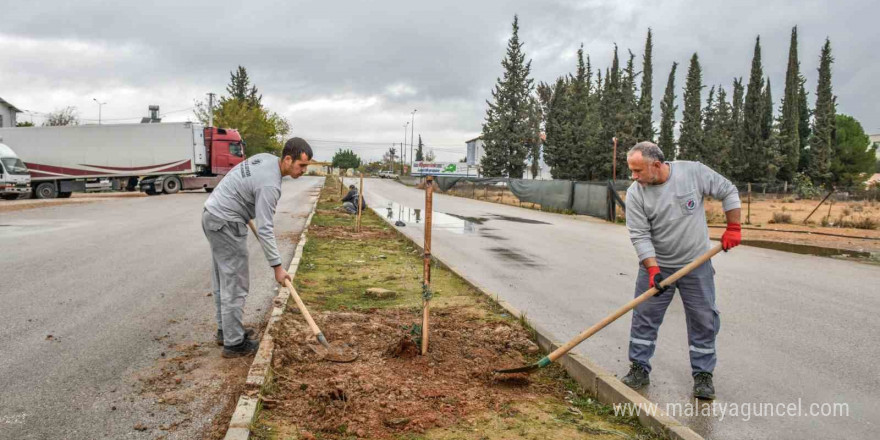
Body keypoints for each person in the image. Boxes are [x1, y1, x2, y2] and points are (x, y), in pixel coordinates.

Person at [621, 141, 741, 400]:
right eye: (631, 170)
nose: (634, 176)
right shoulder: (636, 193)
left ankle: (703, 376)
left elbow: (728, 190)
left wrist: (734, 227)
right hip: (657, 265)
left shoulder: (692, 173)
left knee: (703, 319)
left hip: (696, 264)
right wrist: (653, 270)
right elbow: (640, 235)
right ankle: (639, 367)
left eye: (638, 170)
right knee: (644, 317)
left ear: (656, 165)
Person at [202, 137, 313, 358]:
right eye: (301, 165)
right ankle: (234, 344)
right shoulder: (271, 184)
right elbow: (265, 228)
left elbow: (240, 182)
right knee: (235, 283)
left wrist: (241, 205)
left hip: (212, 214)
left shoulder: (266, 159)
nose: (304, 170)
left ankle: (226, 331)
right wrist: (278, 267)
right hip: (226, 222)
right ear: (288, 159)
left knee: (223, 280)